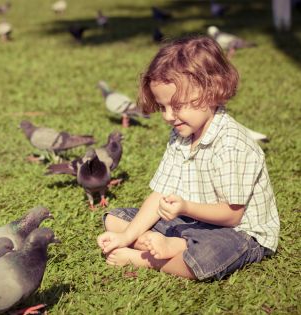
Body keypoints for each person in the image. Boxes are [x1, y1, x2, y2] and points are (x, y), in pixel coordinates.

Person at [97, 36, 279, 280]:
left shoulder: (232, 143)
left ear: (212, 92)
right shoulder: (181, 134)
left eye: (177, 105)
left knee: (207, 257)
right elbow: (160, 193)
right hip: (194, 221)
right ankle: (176, 244)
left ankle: (152, 257)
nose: (168, 116)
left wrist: (185, 207)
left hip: (239, 231)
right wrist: (126, 235)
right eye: (163, 107)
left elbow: (232, 215)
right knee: (114, 220)